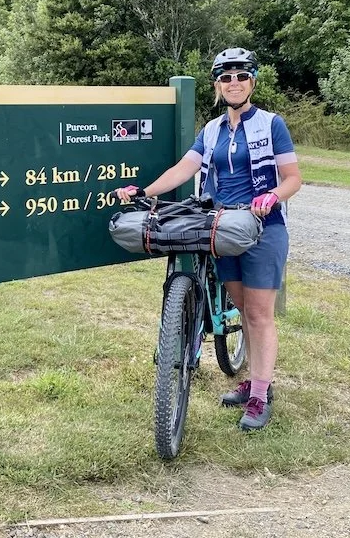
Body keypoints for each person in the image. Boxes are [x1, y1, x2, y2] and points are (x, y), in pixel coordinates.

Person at [115, 47, 302, 431]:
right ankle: (253, 380)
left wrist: (273, 196)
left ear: (252, 81)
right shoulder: (212, 129)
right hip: (221, 227)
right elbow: (185, 168)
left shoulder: (271, 124)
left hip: (263, 228)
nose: (235, 83)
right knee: (242, 307)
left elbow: (293, 179)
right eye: (226, 77)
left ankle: (261, 394)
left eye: (242, 75)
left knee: (259, 313)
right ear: (217, 84)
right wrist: (144, 191)